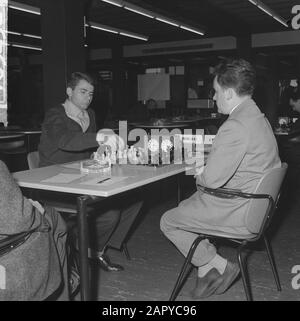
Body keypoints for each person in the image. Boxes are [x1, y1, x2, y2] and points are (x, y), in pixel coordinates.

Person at [160, 58, 281, 299]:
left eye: (215, 92)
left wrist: (199, 169)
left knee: (169, 220)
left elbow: (212, 181)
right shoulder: (259, 118)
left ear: (227, 93)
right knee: (189, 205)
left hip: (238, 210)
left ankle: (220, 265)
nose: (214, 98)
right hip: (259, 207)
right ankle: (206, 270)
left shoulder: (235, 126)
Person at [38, 72, 143, 272]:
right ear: (69, 92)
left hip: (83, 175)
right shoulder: (55, 114)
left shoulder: (90, 115)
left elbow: (90, 150)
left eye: (91, 93)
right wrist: (99, 137)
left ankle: (94, 248)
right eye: (83, 91)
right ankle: (82, 249)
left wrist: (109, 151)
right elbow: (65, 140)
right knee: (110, 214)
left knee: (134, 200)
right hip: (55, 181)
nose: (88, 97)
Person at [0, 160, 69, 300]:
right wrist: (35, 211)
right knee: (53, 218)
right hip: (9, 257)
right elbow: (17, 220)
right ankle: (60, 292)